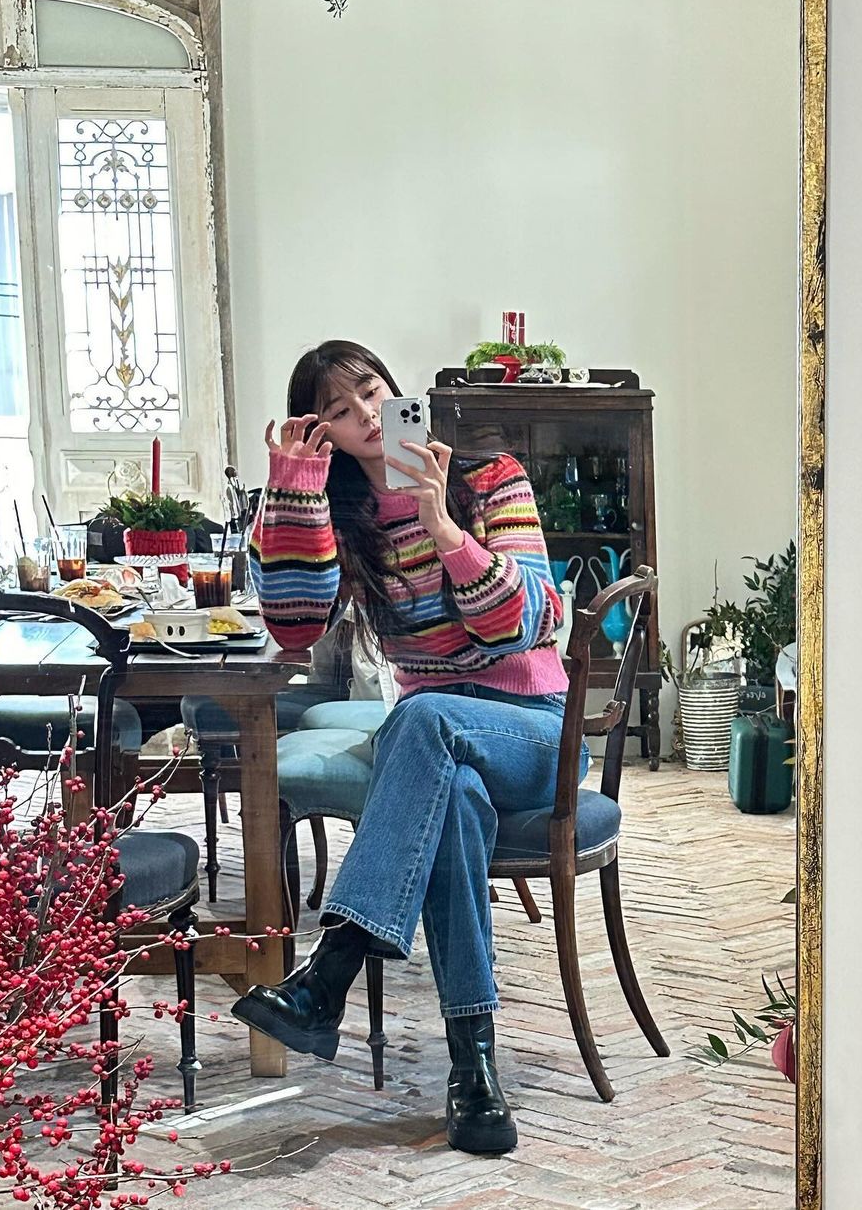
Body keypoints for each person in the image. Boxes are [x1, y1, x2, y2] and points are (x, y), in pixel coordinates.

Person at [232, 340, 587, 1155]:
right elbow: (293, 625)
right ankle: (474, 1070)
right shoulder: (344, 517)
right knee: (449, 794)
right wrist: (294, 490)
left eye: (370, 392)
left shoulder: (490, 479)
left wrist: (445, 527)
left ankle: (331, 970)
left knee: (421, 719)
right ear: (321, 431)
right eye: (338, 411)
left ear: (396, 392)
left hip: (532, 729)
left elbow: (529, 621)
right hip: (443, 751)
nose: (364, 414)